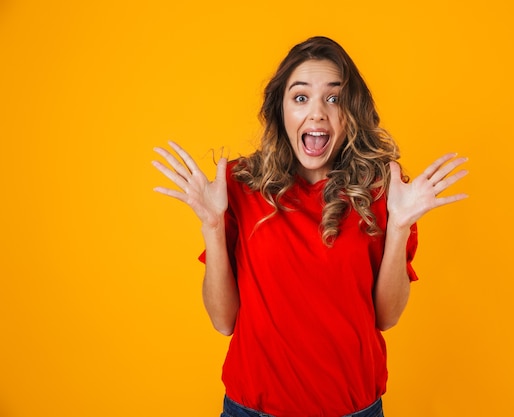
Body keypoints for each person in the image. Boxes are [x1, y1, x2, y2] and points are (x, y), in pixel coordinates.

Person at [152, 36, 468, 417]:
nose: (317, 113)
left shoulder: (385, 192)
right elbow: (223, 322)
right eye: (301, 97)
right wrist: (212, 224)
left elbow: (387, 317)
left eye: (333, 98)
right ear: (280, 109)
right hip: (252, 410)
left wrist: (399, 226)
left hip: (355, 410)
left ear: (351, 112)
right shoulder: (240, 185)